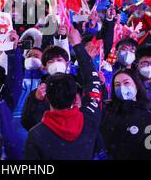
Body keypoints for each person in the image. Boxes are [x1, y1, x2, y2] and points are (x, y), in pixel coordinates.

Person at [24, 30, 102, 159]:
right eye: (50, 61)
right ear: (74, 98)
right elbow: (93, 82)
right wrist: (77, 45)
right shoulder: (90, 119)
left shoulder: (36, 134)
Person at [100, 69, 151, 160]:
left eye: (126, 83)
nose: (122, 87)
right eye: (117, 85)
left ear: (136, 85)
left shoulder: (150, 119)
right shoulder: (107, 112)